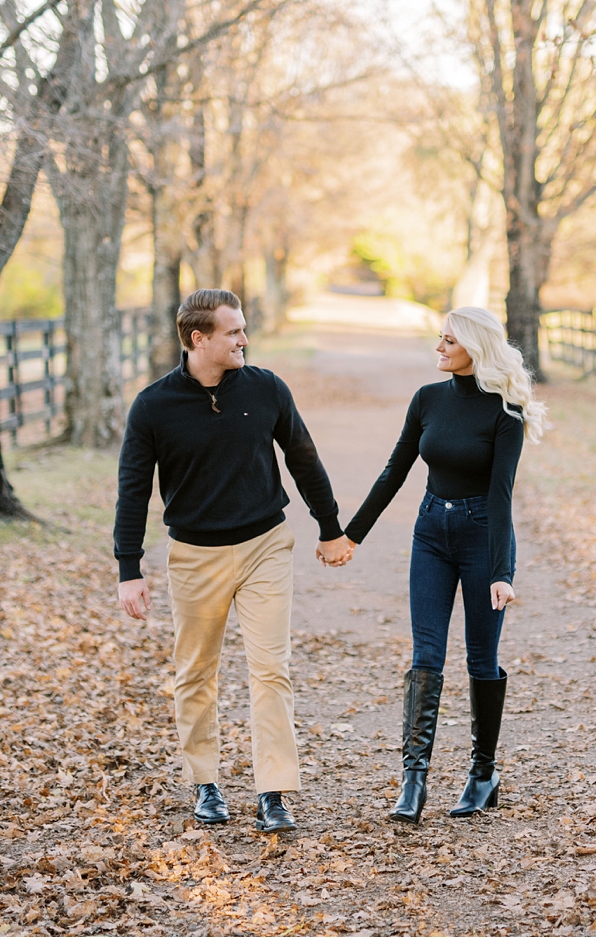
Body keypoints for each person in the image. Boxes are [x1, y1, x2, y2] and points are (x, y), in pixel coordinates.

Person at [114, 289, 353, 835]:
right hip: (195, 556)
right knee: (195, 671)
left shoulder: (266, 388)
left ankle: (274, 791)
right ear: (200, 339)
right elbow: (133, 490)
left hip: (266, 544)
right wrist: (129, 567)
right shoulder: (153, 405)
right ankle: (206, 782)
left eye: (244, 329)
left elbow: (303, 457)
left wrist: (331, 527)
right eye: (234, 332)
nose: (245, 339)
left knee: (272, 669)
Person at [339, 307, 547, 824]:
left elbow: (501, 499)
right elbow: (395, 470)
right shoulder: (427, 400)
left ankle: (483, 774)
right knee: (425, 654)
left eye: (448, 340)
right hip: (430, 533)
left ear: (473, 348)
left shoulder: (505, 414)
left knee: (481, 657)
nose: (438, 347)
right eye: (439, 338)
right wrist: (351, 535)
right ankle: (413, 781)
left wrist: (503, 572)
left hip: (481, 536)